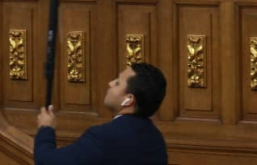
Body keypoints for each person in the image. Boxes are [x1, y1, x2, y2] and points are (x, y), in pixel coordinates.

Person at [34, 62, 168, 164]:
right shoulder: (156, 138)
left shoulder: (103, 136)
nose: (110, 83)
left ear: (129, 100)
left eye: (117, 83)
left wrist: (46, 128)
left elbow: (47, 162)